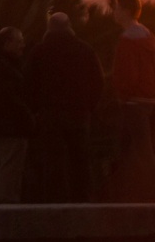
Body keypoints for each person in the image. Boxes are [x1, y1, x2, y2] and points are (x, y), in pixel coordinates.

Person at [25, 12, 104, 202]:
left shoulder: (39, 52)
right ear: (69, 26)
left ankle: (54, 202)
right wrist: (89, 107)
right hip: (79, 115)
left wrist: (37, 109)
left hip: (50, 116)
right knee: (81, 160)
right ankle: (83, 200)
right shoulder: (85, 50)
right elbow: (98, 82)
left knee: (53, 162)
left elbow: (29, 84)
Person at [108, 0, 155, 201]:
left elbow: (127, 74)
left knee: (140, 149)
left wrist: (122, 94)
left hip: (133, 102)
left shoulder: (128, 40)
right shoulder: (147, 36)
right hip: (148, 100)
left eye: (116, 8)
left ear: (125, 11)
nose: (113, 13)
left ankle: (154, 195)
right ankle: (126, 193)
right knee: (134, 148)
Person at [0, 27, 32, 203]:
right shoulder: (2, 67)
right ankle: (7, 209)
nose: (23, 45)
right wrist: (28, 116)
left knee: (13, 169)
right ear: (7, 43)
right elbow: (11, 100)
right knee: (10, 169)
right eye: (19, 41)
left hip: (12, 127)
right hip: (11, 127)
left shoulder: (4, 64)